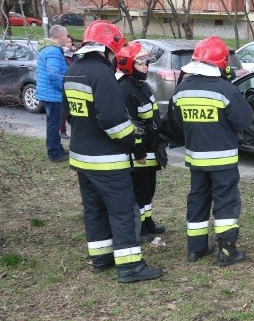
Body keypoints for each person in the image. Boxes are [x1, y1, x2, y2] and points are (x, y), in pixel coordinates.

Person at [62, 20, 163, 283]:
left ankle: (102, 258)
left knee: (94, 210)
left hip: (82, 157)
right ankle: (131, 267)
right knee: (123, 211)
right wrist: (134, 140)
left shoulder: (73, 71)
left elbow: (70, 116)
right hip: (106, 160)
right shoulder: (102, 74)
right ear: (110, 47)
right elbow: (112, 121)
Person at [168, 35, 253, 267]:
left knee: (198, 199)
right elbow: (245, 120)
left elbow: (175, 122)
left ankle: (195, 249)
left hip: (195, 158)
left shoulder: (182, 89)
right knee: (226, 202)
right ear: (222, 63)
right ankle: (226, 251)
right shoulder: (226, 90)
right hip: (223, 159)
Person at [115, 42, 166, 241]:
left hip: (150, 146)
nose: (146, 67)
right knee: (139, 190)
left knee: (149, 188)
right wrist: (138, 151)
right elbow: (130, 125)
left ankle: (148, 222)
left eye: (146, 63)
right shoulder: (124, 90)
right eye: (140, 64)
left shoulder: (142, 86)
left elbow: (152, 117)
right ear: (128, 65)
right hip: (138, 151)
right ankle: (140, 229)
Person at [36, 24, 72, 162]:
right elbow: (54, 74)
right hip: (53, 94)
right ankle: (54, 153)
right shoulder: (53, 51)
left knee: (54, 123)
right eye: (67, 35)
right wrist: (64, 89)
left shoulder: (47, 49)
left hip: (48, 92)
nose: (68, 38)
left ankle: (58, 149)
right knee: (54, 124)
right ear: (61, 36)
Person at [60, 36, 77, 140]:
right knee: (64, 110)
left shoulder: (76, 54)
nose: (70, 44)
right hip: (65, 83)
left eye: (71, 41)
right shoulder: (61, 55)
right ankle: (62, 130)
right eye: (67, 42)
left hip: (75, 82)